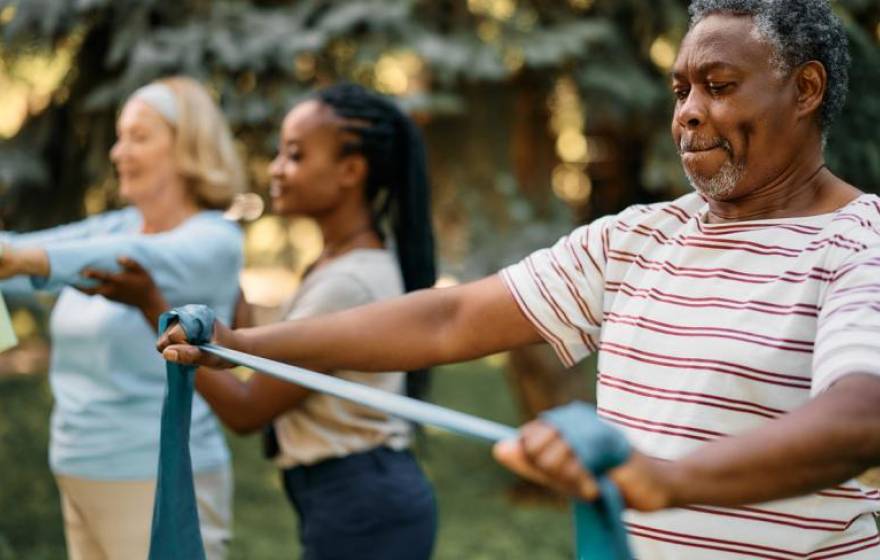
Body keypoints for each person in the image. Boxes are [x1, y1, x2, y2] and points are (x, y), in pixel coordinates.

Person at [159, 1, 880, 558]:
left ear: (806, 88)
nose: (688, 112)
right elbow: (449, 320)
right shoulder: (638, 237)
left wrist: (668, 479)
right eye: (681, 87)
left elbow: (860, 419)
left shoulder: (860, 241)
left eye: (718, 86)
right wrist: (245, 342)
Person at [98, 83, 438, 560]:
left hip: (363, 505)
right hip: (352, 495)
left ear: (351, 171)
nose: (276, 169)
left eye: (294, 156)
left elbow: (248, 410)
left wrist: (149, 304)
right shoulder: (337, 263)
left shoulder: (349, 284)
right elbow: (271, 365)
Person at [0, 76, 245, 560]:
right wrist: (18, 257)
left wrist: (25, 258)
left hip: (157, 477)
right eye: (119, 137)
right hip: (79, 470)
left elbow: (125, 256)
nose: (117, 153)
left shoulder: (213, 239)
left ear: (187, 147)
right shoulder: (115, 224)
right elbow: (28, 259)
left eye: (138, 136)